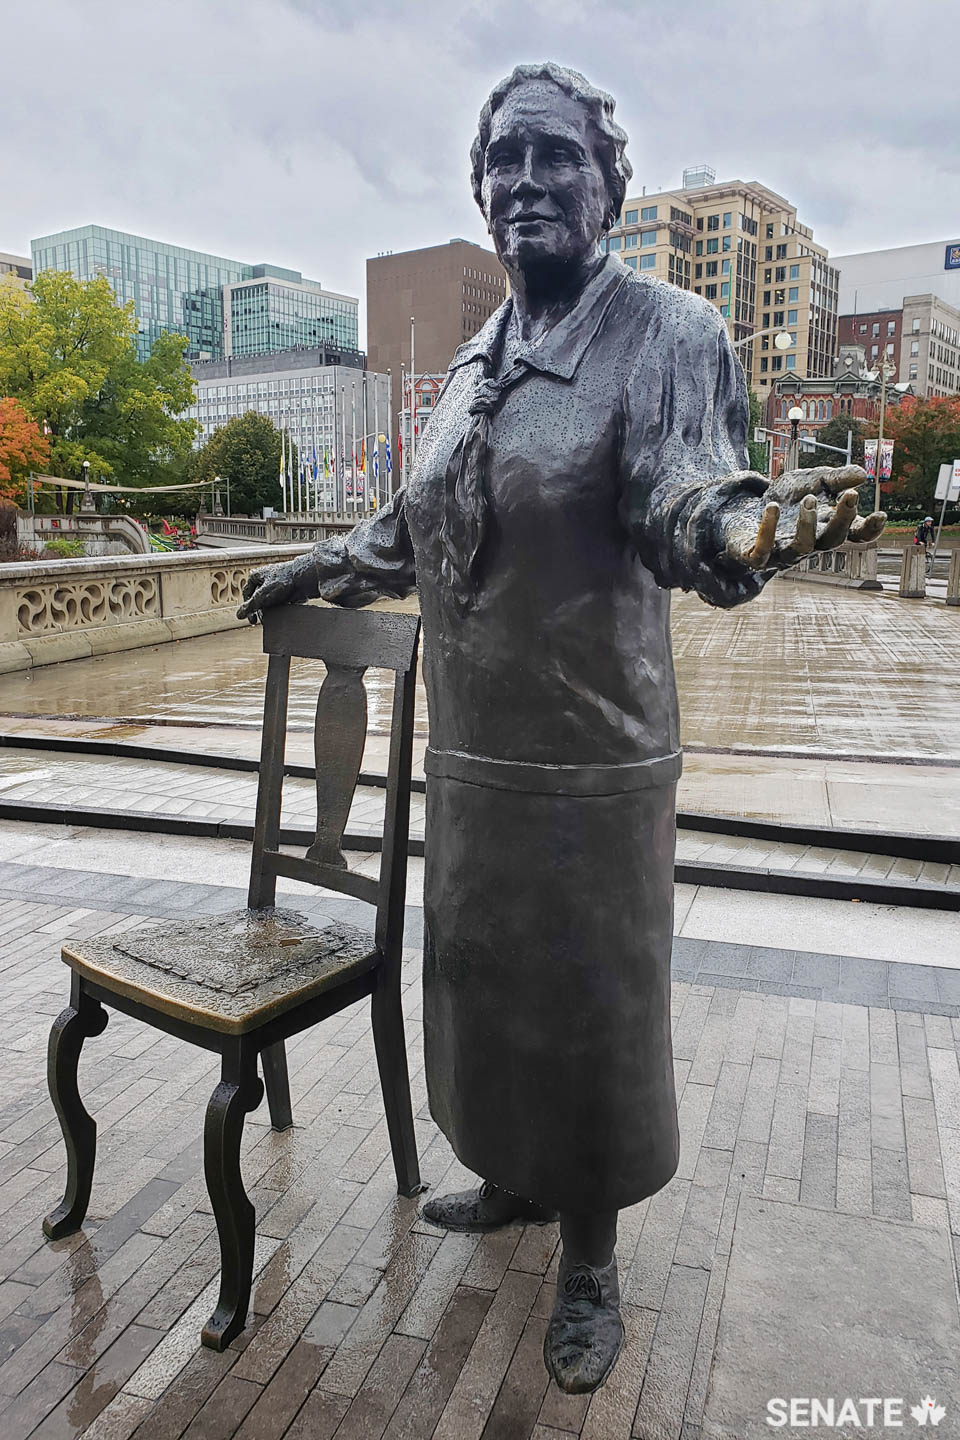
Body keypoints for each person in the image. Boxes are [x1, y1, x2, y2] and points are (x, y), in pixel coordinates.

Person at [238, 62, 885, 1395]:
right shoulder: (477, 359)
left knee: (590, 1009)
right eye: (505, 164)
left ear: (609, 186)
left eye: (556, 161)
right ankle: (512, 1177)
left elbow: (680, 494)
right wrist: (313, 568)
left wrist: (737, 528)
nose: (527, 184)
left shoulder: (665, 332)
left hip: (591, 763)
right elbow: (415, 528)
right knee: (484, 989)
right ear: (482, 191)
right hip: (472, 753)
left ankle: (588, 1254)